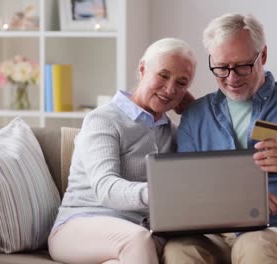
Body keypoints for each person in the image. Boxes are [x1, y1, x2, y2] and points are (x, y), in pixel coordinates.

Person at [163, 13, 277, 264]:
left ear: (262, 56)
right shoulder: (196, 115)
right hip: (214, 233)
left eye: (243, 66)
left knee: (253, 245)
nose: (232, 78)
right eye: (221, 68)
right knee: (178, 250)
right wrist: (238, 203)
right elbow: (188, 188)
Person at [48, 38, 196, 264]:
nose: (170, 89)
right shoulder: (103, 120)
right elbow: (105, 187)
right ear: (143, 69)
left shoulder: (173, 134)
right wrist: (156, 193)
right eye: (163, 76)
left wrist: (196, 113)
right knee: (137, 240)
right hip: (79, 227)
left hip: (138, 237)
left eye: (181, 83)